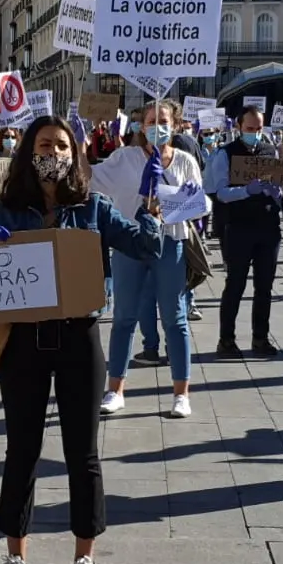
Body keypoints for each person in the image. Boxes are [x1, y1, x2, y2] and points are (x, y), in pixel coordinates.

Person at [0, 114, 163, 564]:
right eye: (45, 144)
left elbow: (146, 246)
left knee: (83, 454)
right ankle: (15, 557)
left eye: (63, 146)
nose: (55, 153)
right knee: (21, 450)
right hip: (23, 341)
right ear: (28, 151)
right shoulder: (6, 208)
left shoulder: (94, 208)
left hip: (79, 337)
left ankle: (85, 559)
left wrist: (152, 208)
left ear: (75, 154)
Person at [90, 99, 204, 417]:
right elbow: (90, 178)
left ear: (176, 124)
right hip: (130, 244)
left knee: (175, 318)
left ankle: (181, 394)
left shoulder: (184, 161)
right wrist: (78, 142)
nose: (156, 126)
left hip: (170, 244)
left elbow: (200, 203)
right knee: (124, 317)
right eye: (150, 120)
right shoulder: (123, 158)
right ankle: (115, 389)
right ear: (141, 126)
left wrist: (165, 202)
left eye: (163, 119)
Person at [204, 106, 283, 359]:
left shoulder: (270, 150)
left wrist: (276, 192)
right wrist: (245, 191)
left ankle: (260, 338)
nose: (255, 133)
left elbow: (281, 184)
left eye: (259, 129)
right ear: (238, 127)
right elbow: (219, 193)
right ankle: (226, 340)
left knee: (264, 286)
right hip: (238, 227)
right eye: (250, 129)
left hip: (268, 226)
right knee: (235, 284)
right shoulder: (225, 154)